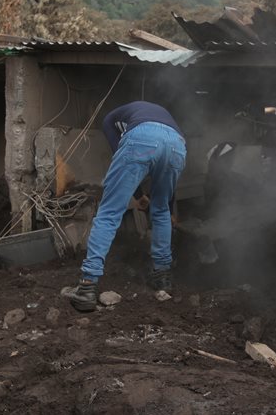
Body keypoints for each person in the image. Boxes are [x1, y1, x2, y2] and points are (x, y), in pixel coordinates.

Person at [63, 101, 186, 312]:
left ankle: (87, 286)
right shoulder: (166, 119)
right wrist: (142, 196)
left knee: (109, 212)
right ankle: (163, 278)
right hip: (177, 145)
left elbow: (121, 152)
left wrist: (135, 193)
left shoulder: (111, 119)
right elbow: (165, 187)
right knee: (161, 211)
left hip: (141, 141)